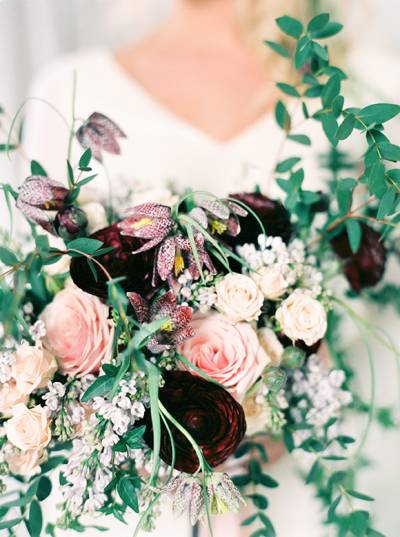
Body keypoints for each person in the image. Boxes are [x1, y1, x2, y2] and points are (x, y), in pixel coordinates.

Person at [21, 1, 399, 536]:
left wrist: (282, 376)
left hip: (307, 496)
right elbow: (35, 307)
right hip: (134, 511)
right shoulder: (71, 89)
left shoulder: (369, 87)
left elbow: (383, 294)